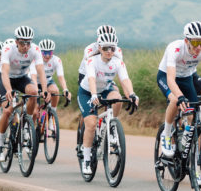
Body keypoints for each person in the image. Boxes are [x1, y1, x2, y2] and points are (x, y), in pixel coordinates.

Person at [156, 21, 201, 158]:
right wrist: (180, 97)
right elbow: (170, 79)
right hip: (166, 76)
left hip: (187, 76)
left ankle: (192, 147)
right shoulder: (175, 48)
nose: (199, 47)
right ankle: (166, 134)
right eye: (195, 43)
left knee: (193, 116)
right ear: (186, 40)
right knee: (175, 100)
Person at [77, 32, 139, 175]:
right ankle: (86, 159)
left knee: (117, 98)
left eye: (112, 48)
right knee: (91, 124)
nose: (109, 51)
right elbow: (91, 79)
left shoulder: (118, 62)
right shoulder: (92, 61)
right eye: (106, 48)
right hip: (87, 91)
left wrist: (132, 94)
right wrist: (93, 95)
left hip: (105, 88)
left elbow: (125, 80)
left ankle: (110, 125)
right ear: (99, 48)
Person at [0, 26, 49, 162]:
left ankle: (27, 124)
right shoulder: (8, 49)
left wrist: (45, 90)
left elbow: (41, 71)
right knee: (7, 111)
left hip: (21, 78)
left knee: (34, 92)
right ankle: (0, 144)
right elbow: (5, 73)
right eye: (22, 42)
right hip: (7, 80)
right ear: (16, 41)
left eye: (28, 42)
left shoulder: (35, 49)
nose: (26, 46)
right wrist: (8, 90)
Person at [30, 39, 71, 108]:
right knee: (35, 111)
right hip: (34, 82)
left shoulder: (56, 60)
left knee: (55, 91)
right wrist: (38, 90)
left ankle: (53, 111)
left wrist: (65, 89)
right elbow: (33, 76)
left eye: (50, 53)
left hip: (47, 81)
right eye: (44, 53)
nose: (47, 56)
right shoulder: (34, 60)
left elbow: (60, 77)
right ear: (40, 52)